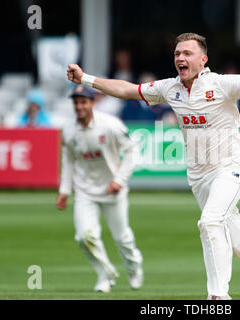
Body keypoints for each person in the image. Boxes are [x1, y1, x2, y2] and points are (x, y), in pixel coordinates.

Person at [66, 32, 240, 300]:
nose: (180, 58)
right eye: (177, 54)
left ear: (203, 59)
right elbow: (128, 90)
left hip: (231, 166)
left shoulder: (222, 84)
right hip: (199, 177)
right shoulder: (169, 88)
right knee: (239, 240)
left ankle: (218, 296)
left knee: (209, 223)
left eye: (187, 53)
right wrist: (85, 79)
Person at [55, 85, 143, 293]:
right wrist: (64, 191)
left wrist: (119, 180)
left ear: (93, 103)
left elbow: (131, 150)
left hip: (112, 190)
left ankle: (133, 267)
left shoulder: (110, 125)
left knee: (123, 238)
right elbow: (68, 161)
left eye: (83, 102)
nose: (79, 106)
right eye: (76, 102)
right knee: (84, 236)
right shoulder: (68, 130)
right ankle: (105, 274)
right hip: (85, 190)